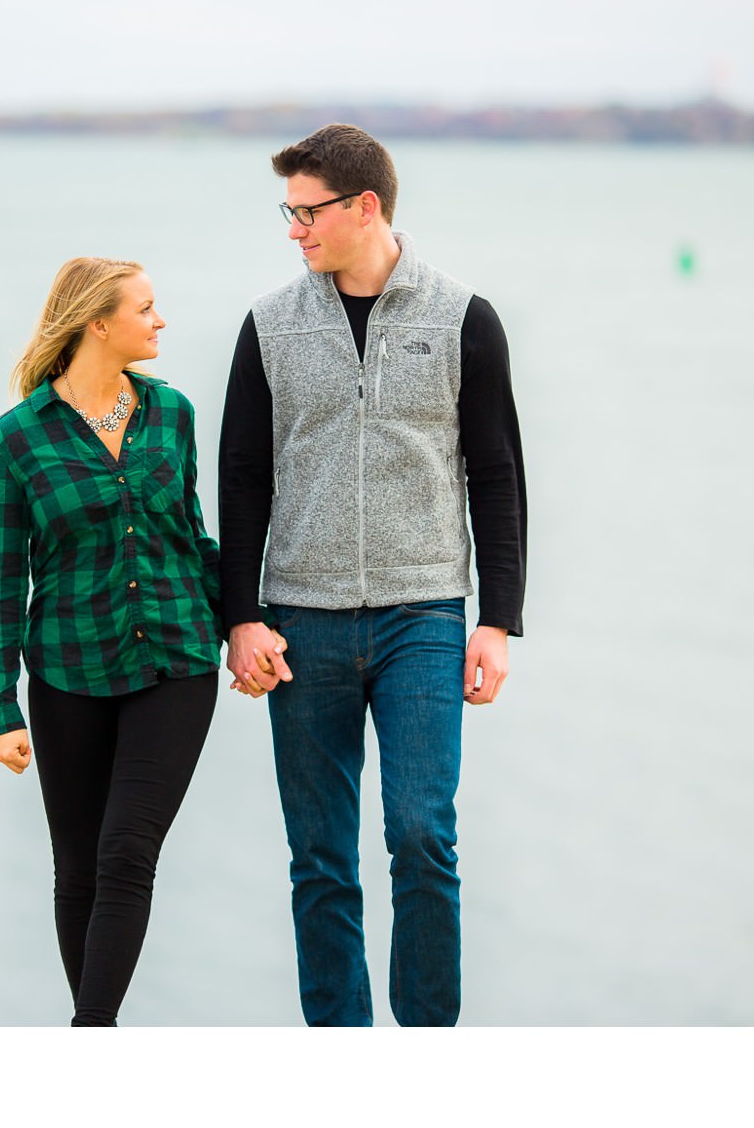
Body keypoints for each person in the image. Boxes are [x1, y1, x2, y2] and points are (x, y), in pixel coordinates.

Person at [218, 124, 528, 1027]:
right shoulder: (269, 326)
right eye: (289, 212)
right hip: (299, 620)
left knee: (422, 834)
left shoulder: (464, 319)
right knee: (319, 855)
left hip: (423, 615)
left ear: (365, 208)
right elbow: (241, 477)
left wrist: (497, 621)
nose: (294, 230)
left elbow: (498, 473)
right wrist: (240, 618)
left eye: (307, 212)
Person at [0, 256, 280, 1026]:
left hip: (175, 658)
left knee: (126, 853)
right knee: (76, 869)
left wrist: (243, 624)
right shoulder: (10, 443)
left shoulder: (171, 413)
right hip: (68, 671)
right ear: (96, 324)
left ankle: (89, 1036)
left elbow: (191, 535)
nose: (161, 320)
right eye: (146, 308)